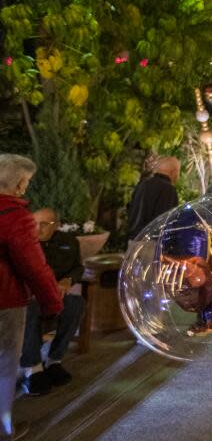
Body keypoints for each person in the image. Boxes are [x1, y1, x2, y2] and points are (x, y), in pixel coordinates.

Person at [0, 154, 62, 441]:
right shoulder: (16, 218)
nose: (26, 189)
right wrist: (52, 301)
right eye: (26, 183)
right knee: (4, 365)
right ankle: (3, 429)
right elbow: (34, 267)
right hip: (5, 302)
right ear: (18, 184)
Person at [19, 209, 85, 396]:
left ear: (56, 225)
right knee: (30, 309)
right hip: (30, 297)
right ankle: (33, 367)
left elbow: (78, 267)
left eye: (44, 224)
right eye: (34, 223)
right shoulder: (23, 242)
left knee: (76, 304)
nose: (38, 229)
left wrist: (68, 280)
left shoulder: (69, 242)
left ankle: (54, 359)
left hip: (56, 295)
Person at [126, 156, 180, 241]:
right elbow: (165, 221)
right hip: (152, 244)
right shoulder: (168, 189)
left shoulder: (143, 184)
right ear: (173, 172)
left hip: (134, 240)